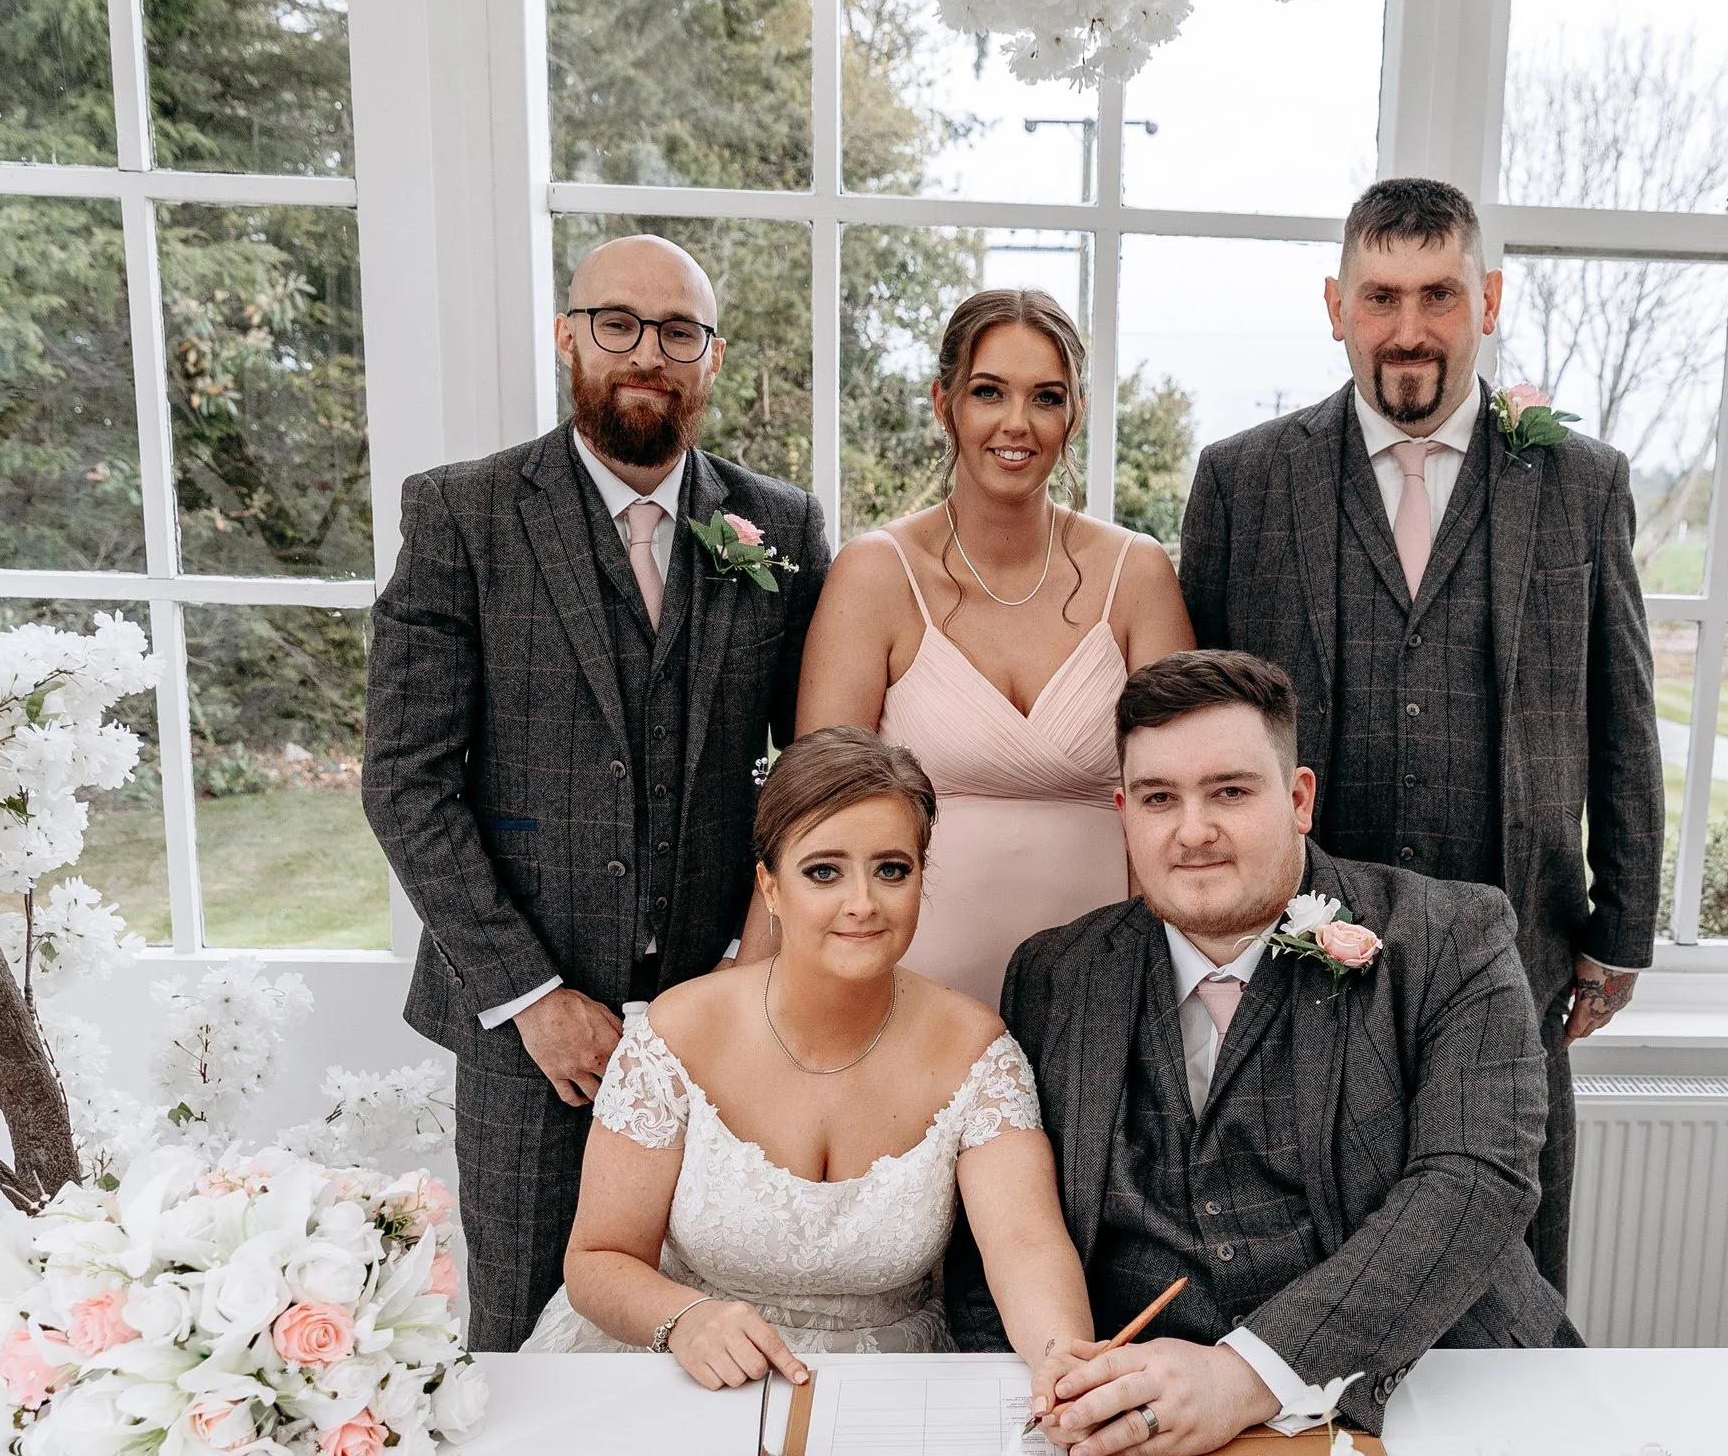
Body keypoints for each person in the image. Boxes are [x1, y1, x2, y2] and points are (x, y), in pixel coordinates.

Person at [1177, 177, 1664, 1300]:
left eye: (1437, 294)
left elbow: (1619, 716)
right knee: (1303, 1275)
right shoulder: (1243, 481)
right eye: (1380, 295)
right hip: (1290, 960)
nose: (1407, 328)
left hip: (1516, 950)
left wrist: (1619, 929)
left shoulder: (1580, 484)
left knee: (1510, 1279)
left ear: (1485, 298)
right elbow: (1190, 723)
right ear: (1335, 304)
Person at [363, 235, 834, 1351]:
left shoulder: (784, 527)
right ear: (569, 335)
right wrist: (529, 995)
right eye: (618, 323)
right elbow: (404, 782)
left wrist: (749, 978)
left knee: (718, 1316)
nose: (648, 354)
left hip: (721, 1024)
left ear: (709, 360)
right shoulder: (462, 516)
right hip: (528, 1036)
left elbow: (812, 779)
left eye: (680, 332)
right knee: (528, 1328)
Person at [948, 650, 1573, 1456]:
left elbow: (1475, 1184)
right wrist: (1052, 1377)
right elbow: (1004, 1226)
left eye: (1230, 792)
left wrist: (1244, 1377)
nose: (1193, 830)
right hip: (1141, 1425)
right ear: (1123, 813)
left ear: (1300, 798)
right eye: (1158, 798)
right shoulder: (1053, 975)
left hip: (1429, 1395)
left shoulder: (1451, 937)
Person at [526, 727, 1093, 1383]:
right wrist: (683, 1319)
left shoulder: (976, 1049)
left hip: (886, 1388)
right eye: (823, 871)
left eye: (892, 870)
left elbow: (1024, 1244)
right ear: (769, 887)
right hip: (683, 1372)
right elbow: (598, 1257)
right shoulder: (679, 1031)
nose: (862, 904)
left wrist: (1062, 1358)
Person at [793, 289, 1192, 1009]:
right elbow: (816, 814)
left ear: (1074, 413)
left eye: (1045, 397)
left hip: (1105, 996)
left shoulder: (1138, 575)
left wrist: (1156, 1001)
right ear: (944, 403)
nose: (1017, 424)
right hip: (907, 992)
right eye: (988, 392)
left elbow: (1173, 802)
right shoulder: (876, 573)